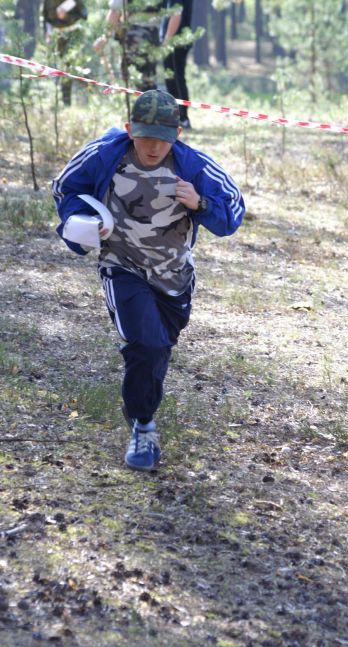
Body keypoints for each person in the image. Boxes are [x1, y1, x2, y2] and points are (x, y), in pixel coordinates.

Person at [52, 89, 245, 472]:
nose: (154, 147)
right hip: (121, 265)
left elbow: (232, 215)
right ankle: (143, 425)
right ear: (129, 130)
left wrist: (201, 204)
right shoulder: (104, 155)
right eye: (145, 137)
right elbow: (65, 187)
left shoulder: (194, 166)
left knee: (159, 348)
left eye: (163, 138)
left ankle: (142, 404)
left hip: (174, 275)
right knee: (146, 343)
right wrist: (82, 220)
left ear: (178, 134)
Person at [94, 0, 160, 91]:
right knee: (148, 81)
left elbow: (115, 12)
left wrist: (105, 37)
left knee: (133, 81)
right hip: (154, 35)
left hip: (134, 36)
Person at [43, 0, 88, 105]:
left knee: (76, 67)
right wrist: (47, 33)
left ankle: (85, 98)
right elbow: (46, 18)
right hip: (58, 37)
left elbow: (84, 14)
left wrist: (67, 12)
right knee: (62, 68)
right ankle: (66, 102)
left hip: (74, 34)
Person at [161, 0, 193, 128]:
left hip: (175, 42)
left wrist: (167, 40)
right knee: (174, 79)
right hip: (176, 40)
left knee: (175, 79)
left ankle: (182, 118)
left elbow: (176, 14)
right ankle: (178, 117)